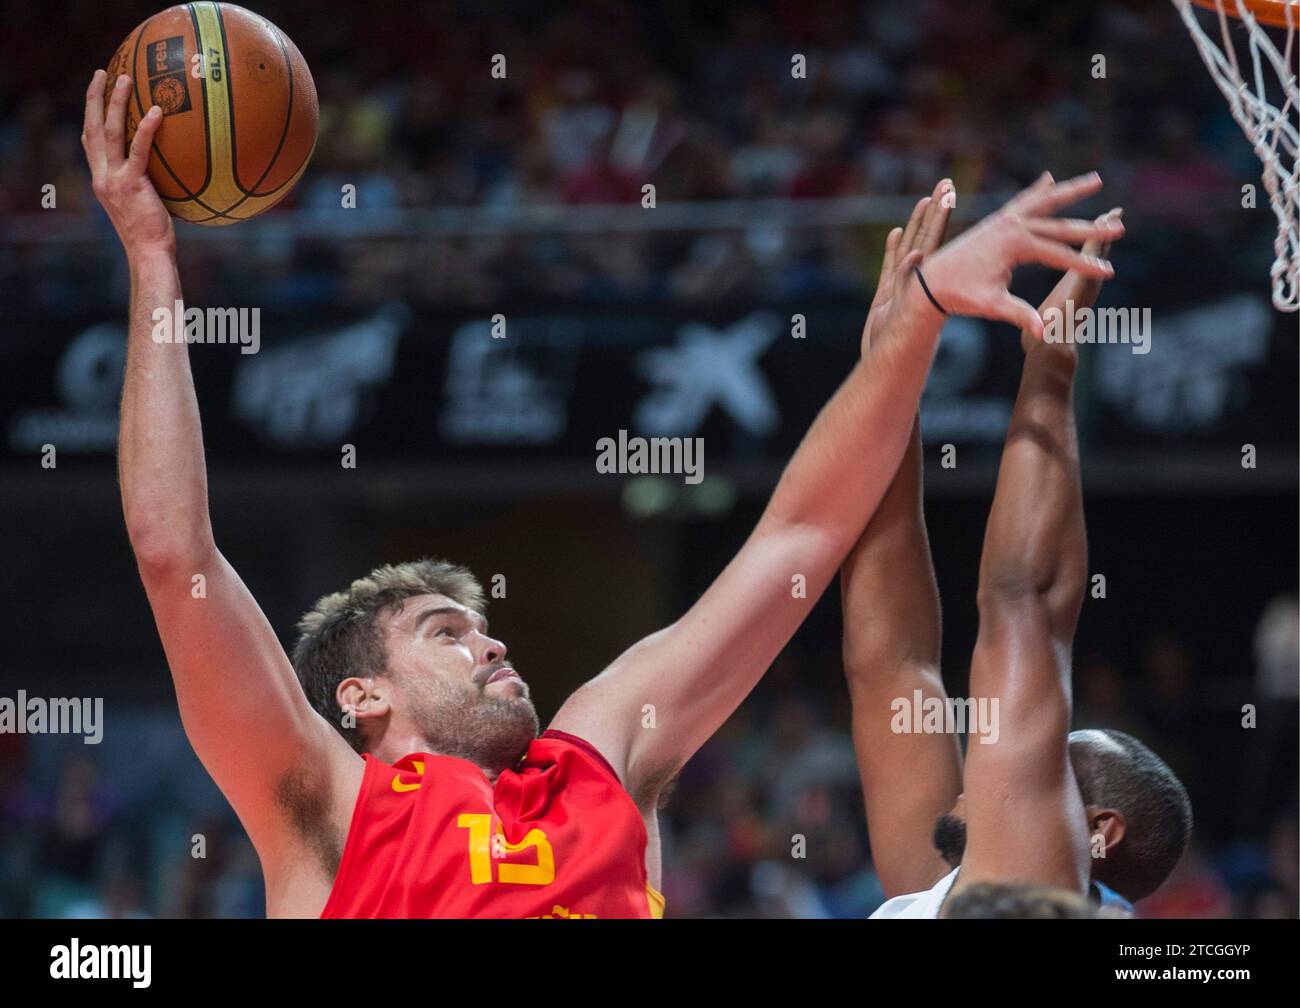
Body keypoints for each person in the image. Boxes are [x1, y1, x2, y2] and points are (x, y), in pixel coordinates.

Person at [83, 65, 1119, 917]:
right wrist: (152, 259)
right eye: (446, 632)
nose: (491, 642)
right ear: (360, 696)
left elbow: (795, 541)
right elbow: (177, 560)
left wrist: (914, 325)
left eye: (479, 627)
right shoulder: (321, 797)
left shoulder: (598, 753)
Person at [840, 196, 1190, 918]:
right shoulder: (962, 892)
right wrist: (888, 376)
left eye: (1047, 763)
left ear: (1098, 835)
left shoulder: (1046, 893)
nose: (995, 751)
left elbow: (1023, 607)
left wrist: (1052, 363)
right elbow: (890, 662)